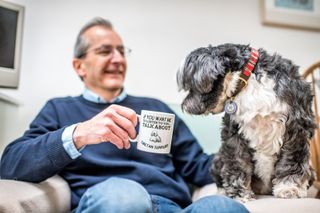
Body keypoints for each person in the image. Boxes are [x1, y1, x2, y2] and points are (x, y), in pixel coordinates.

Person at [0, 17, 248, 213]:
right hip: (112, 203)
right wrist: (79, 134)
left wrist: (251, 153)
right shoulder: (59, 109)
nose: (118, 59)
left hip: (171, 206)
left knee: (222, 207)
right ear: (79, 66)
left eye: (121, 51)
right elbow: (10, 164)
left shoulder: (156, 107)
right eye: (105, 51)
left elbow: (197, 166)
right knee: (126, 196)